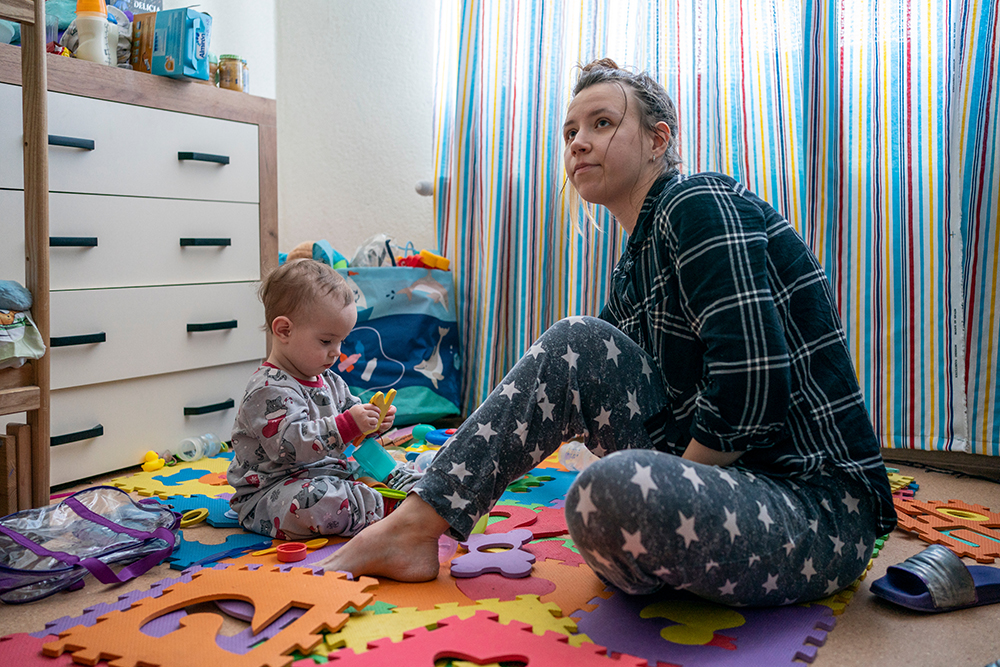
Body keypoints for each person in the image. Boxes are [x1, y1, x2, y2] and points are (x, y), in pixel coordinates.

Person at [315, 58, 897, 607]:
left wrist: (661, 478)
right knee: (582, 359)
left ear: (658, 140)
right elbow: (587, 388)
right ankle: (419, 523)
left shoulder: (696, 201)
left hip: (815, 508)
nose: (579, 143)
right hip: (727, 494)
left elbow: (753, 382)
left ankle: (428, 524)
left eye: (602, 123)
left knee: (605, 489)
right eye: (570, 132)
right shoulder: (633, 264)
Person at [227, 259, 418, 540]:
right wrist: (347, 425)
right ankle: (391, 507)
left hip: (330, 473)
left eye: (341, 342)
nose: (336, 353)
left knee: (376, 461)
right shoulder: (266, 390)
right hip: (272, 493)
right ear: (284, 331)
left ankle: (406, 485)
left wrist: (371, 422)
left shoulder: (328, 379)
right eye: (327, 342)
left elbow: (350, 420)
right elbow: (290, 447)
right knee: (316, 502)